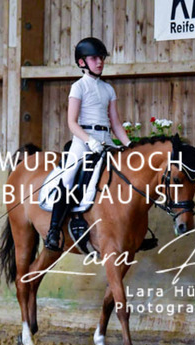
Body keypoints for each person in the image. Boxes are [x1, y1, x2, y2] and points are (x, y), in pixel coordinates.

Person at [45, 37, 132, 251]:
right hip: (83, 140)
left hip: (106, 140)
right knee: (68, 177)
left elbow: (116, 123)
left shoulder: (108, 89)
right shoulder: (78, 87)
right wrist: (89, 140)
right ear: (82, 62)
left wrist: (130, 145)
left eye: (101, 58)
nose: (100, 62)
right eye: (94, 58)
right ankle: (54, 230)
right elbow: (72, 123)